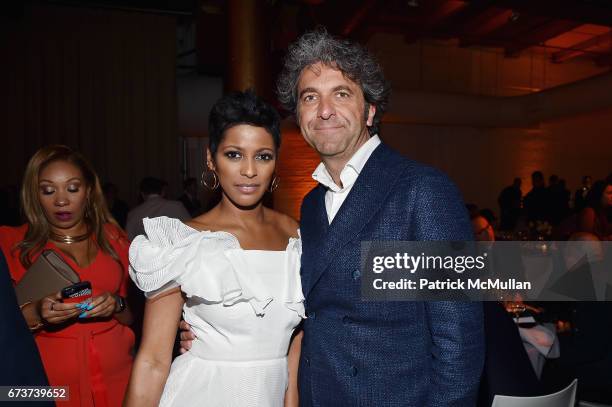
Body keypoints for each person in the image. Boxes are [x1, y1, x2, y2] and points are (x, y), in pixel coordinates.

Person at [183, 29, 484, 406]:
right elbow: (310, 309)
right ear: (300, 116)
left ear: (370, 110)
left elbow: (460, 339)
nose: (324, 110)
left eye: (341, 93)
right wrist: (213, 326)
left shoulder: (423, 190)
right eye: (310, 97)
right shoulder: (310, 206)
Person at [124, 91, 304, 407]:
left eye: (263, 156)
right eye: (234, 154)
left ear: (276, 160)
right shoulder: (182, 242)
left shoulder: (297, 237)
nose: (249, 171)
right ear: (211, 159)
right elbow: (152, 359)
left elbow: (295, 345)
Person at [0, 145, 135, 407]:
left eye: (72, 188)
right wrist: (38, 312)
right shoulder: (12, 244)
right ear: (34, 195)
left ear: (88, 192)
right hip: (47, 388)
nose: (61, 200)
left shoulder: (114, 239)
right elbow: (6, 325)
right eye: (48, 190)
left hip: (118, 378)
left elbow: (132, 316)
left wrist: (114, 304)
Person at [125, 177, 190, 240]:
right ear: (162, 192)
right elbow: (191, 231)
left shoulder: (133, 214)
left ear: (142, 194)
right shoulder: (177, 206)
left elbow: (129, 241)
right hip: (176, 250)